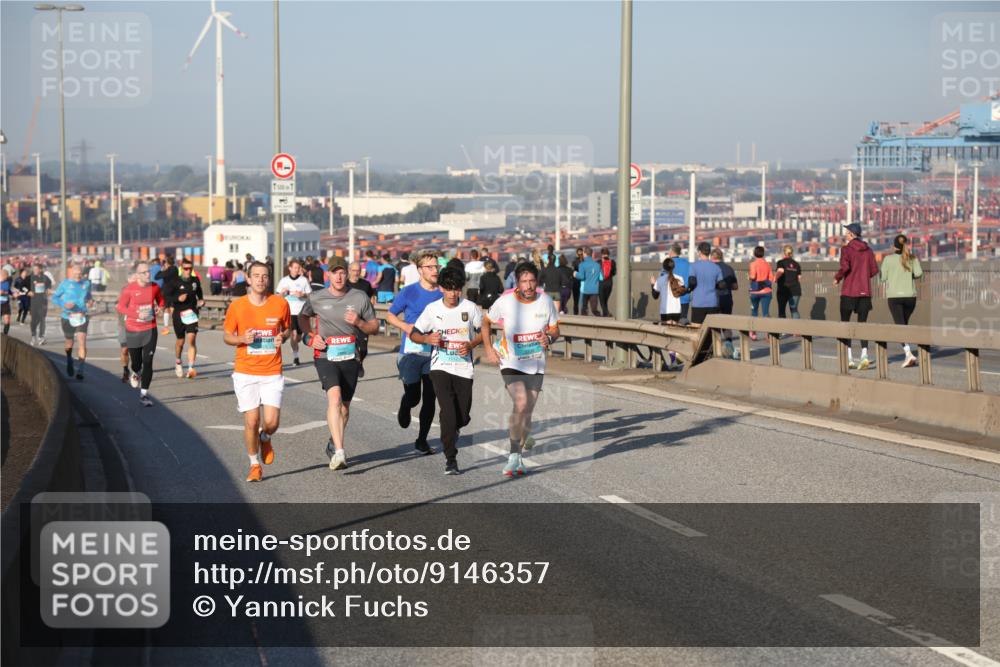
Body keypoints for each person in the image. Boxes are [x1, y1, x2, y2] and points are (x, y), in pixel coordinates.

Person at [299, 256, 378, 471]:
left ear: (347, 273)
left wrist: (359, 322)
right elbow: (302, 318)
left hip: (351, 357)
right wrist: (309, 337)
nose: (339, 276)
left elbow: (374, 327)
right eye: (335, 272)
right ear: (328, 275)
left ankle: (333, 442)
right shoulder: (316, 297)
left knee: (344, 408)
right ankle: (340, 451)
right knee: (333, 398)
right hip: (325, 356)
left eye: (342, 272)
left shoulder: (359, 297)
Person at [482, 262, 560, 477]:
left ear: (537, 281)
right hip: (511, 362)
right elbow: (485, 322)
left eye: (532, 281)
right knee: (521, 402)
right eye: (524, 281)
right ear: (517, 282)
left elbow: (555, 329)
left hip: (536, 363)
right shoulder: (505, 302)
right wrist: (489, 349)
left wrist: (549, 338)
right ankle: (514, 456)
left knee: (527, 412)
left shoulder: (545, 301)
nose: (528, 285)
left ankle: (521, 446)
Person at [408, 267, 483, 475]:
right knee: (447, 413)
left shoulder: (470, 308)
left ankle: (455, 427)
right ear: (441, 288)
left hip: (464, 368)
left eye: (457, 289)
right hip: (440, 366)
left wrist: (471, 344)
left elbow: (484, 333)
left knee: (463, 416)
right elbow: (414, 333)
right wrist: (426, 339)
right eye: (449, 289)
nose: (453, 294)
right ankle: (451, 459)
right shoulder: (432, 310)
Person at [223, 262, 291, 483]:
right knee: (252, 420)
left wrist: (284, 337)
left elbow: (288, 328)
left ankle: (265, 436)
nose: (261, 279)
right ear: (249, 280)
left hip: (272, 371)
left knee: (271, 422)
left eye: (265, 276)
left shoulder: (280, 304)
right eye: (256, 276)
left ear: (268, 279)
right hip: (245, 372)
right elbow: (227, 336)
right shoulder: (238, 306)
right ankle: (254, 465)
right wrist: (242, 339)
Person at [385, 250, 442, 455]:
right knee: (414, 396)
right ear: (419, 270)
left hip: (434, 353)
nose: (435, 270)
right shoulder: (409, 291)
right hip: (410, 352)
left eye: (436, 266)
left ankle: (422, 440)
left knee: (430, 396)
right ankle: (405, 405)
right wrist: (405, 326)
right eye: (430, 267)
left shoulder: (443, 293)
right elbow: (390, 315)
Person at [116, 261, 165, 406]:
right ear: (137, 275)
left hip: (150, 328)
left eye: (149, 271)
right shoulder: (129, 289)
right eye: (145, 272)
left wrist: (160, 308)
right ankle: (136, 372)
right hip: (133, 329)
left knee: (148, 361)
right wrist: (136, 313)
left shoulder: (154, 287)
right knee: (136, 363)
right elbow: (120, 307)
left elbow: (161, 301)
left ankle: (144, 395)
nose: (148, 274)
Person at [834, 222, 879, 370]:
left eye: (847, 232)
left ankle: (849, 358)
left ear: (852, 234)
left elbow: (845, 267)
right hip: (864, 292)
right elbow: (874, 271)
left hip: (849, 292)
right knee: (862, 325)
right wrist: (863, 276)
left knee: (845, 325)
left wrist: (838, 278)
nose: (845, 234)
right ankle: (864, 356)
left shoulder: (846, 250)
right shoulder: (868, 250)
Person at [880, 233, 923, 368]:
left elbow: (883, 278)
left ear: (894, 246)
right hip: (910, 297)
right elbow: (918, 274)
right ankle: (908, 352)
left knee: (900, 327)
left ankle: (908, 354)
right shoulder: (912, 258)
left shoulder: (888, 259)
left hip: (895, 297)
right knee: (904, 324)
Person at [163, 257, 205, 379]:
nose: (188, 271)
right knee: (180, 342)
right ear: (182, 269)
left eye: (190, 269)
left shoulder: (195, 280)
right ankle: (178, 361)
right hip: (178, 315)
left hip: (192, 314)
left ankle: (191, 368)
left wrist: (201, 300)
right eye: (186, 269)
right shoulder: (174, 282)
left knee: (191, 339)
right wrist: (177, 299)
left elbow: (199, 292)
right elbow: (166, 297)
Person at [51, 262, 93, 380]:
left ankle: (81, 370)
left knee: (82, 340)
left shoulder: (86, 283)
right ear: (72, 273)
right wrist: (64, 304)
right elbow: (54, 297)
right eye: (76, 274)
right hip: (67, 316)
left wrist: (90, 301)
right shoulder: (65, 283)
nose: (78, 276)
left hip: (82, 316)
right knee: (69, 342)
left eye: (80, 274)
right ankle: (69, 358)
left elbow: (89, 296)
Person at [276, 259, 312, 366]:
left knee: (299, 337)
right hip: (289, 311)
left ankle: (288, 338)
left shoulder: (303, 280)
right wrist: (283, 293)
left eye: (299, 268)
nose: (297, 270)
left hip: (301, 312)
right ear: (290, 268)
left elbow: (310, 295)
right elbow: (277, 296)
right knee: (294, 335)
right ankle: (296, 357)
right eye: (295, 268)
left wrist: (302, 295)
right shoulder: (284, 280)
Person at [710, 249, 739, 358]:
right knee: (726, 324)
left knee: (715, 325)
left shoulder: (710, 268)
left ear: (711, 257)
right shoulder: (729, 268)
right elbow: (735, 286)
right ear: (721, 256)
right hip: (727, 299)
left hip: (714, 300)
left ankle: (716, 350)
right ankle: (729, 347)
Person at [687, 242, 724, 325]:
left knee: (697, 331)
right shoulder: (716, 267)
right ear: (709, 252)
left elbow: (692, 282)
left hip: (698, 303)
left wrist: (689, 289)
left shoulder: (693, 266)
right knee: (712, 331)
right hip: (713, 303)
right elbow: (721, 285)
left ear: (699, 252)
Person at [748, 246, 774, 340]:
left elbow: (753, 276)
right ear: (763, 254)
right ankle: (768, 335)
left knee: (754, 311)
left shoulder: (753, 264)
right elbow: (771, 278)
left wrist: (749, 277)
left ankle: (753, 334)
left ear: (754, 254)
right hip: (767, 291)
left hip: (755, 291)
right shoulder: (767, 264)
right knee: (765, 313)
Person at [116, 267, 135, 383]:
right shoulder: (124, 290)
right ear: (129, 280)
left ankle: (136, 370)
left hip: (138, 325)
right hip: (124, 324)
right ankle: (125, 370)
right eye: (134, 279)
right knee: (125, 350)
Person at [775, 245, 802, 321]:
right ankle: (797, 331)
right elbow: (799, 278)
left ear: (784, 253)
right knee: (794, 310)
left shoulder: (781, 262)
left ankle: (783, 331)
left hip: (783, 289)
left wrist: (775, 278)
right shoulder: (797, 264)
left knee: (782, 311)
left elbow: (780, 271)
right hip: (795, 290)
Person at [27, 263, 52, 346]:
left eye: (36, 269)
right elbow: (23, 286)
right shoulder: (30, 277)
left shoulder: (45, 278)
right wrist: (28, 292)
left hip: (43, 301)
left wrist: (48, 289)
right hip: (34, 302)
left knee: (42, 319)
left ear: (40, 270)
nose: (35, 271)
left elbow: (50, 284)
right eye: (34, 269)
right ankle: (33, 336)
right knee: (34, 320)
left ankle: (41, 337)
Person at [574, 247, 602, 316]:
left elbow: (582, 276)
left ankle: (583, 324)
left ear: (585, 254)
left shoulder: (582, 264)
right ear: (591, 254)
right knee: (594, 310)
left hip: (585, 290)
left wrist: (575, 274)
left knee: (584, 309)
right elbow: (601, 278)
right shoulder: (597, 265)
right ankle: (601, 321)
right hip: (595, 290)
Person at [667, 244, 691, 323]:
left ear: (671, 252)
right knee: (682, 322)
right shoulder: (687, 263)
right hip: (684, 297)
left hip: (671, 299)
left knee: (671, 323)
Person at [598, 248, 616, 317]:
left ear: (601, 254)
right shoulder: (612, 262)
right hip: (609, 282)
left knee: (602, 300)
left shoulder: (598, 262)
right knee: (605, 299)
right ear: (608, 254)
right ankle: (605, 314)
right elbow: (614, 272)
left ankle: (607, 313)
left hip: (601, 283)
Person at [570, 248, 584, 315]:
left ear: (576, 253)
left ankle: (576, 313)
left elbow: (572, 272)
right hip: (584, 282)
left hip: (576, 282)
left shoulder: (574, 262)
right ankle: (583, 313)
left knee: (576, 300)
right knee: (584, 300)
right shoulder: (585, 261)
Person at [0, 270, 11, 335]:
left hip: (5, 303)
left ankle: (5, 334)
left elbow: (8, 291)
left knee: (7, 319)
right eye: (5, 276)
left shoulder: (7, 283)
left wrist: (13, 293)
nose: (6, 277)